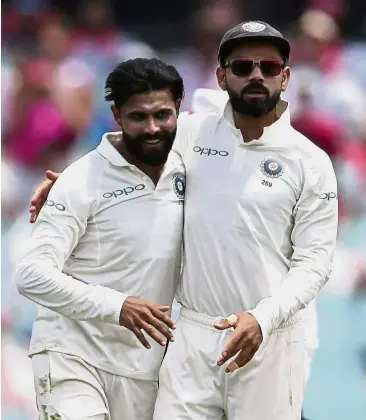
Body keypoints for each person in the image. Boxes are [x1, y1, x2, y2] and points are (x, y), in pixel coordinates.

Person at [28, 21, 338, 420]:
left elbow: (315, 263)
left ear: (286, 76)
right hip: (191, 335)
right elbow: (131, 143)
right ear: (221, 76)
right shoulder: (193, 132)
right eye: (243, 67)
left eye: (269, 66)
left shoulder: (310, 161)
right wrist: (69, 181)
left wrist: (264, 317)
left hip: (269, 337)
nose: (257, 75)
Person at [15, 57, 185, 420]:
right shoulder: (80, 181)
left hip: (143, 369)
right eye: (139, 117)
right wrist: (117, 306)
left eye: (162, 115)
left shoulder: (193, 170)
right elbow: (31, 274)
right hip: (71, 355)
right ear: (117, 115)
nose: (153, 128)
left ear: (179, 111)